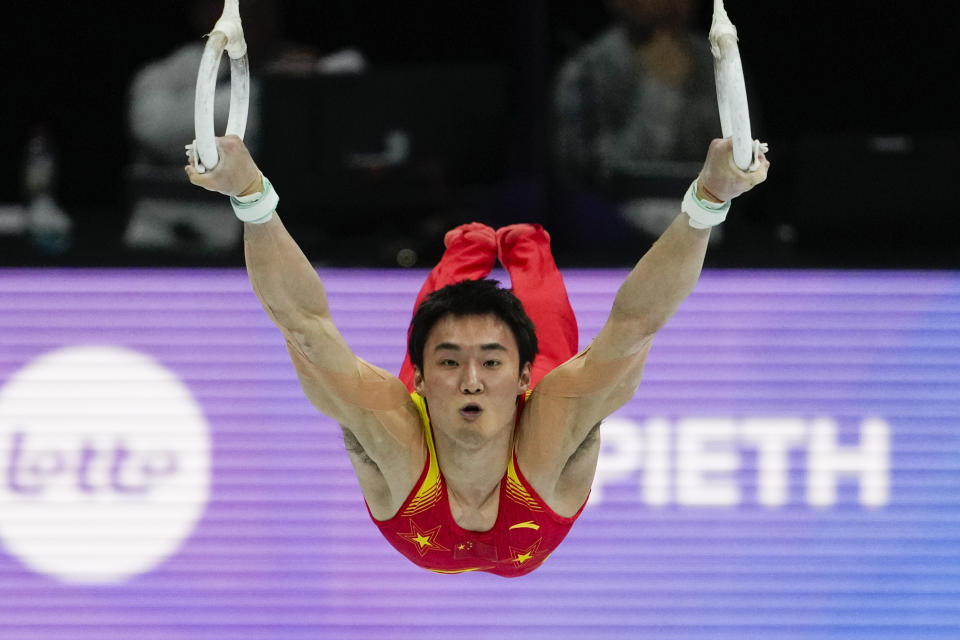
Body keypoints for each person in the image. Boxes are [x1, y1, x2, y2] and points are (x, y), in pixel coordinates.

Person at [185, 132, 768, 576]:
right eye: (447, 365)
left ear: (520, 379)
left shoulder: (552, 407)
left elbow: (637, 324)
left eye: (492, 365)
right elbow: (304, 325)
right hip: (451, 422)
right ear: (417, 379)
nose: (469, 380)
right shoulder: (395, 422)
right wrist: (249, 195)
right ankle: (474, 256)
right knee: (455, 321)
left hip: (524, 406)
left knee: (531, 332)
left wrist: (710, 199)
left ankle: (508, 256)